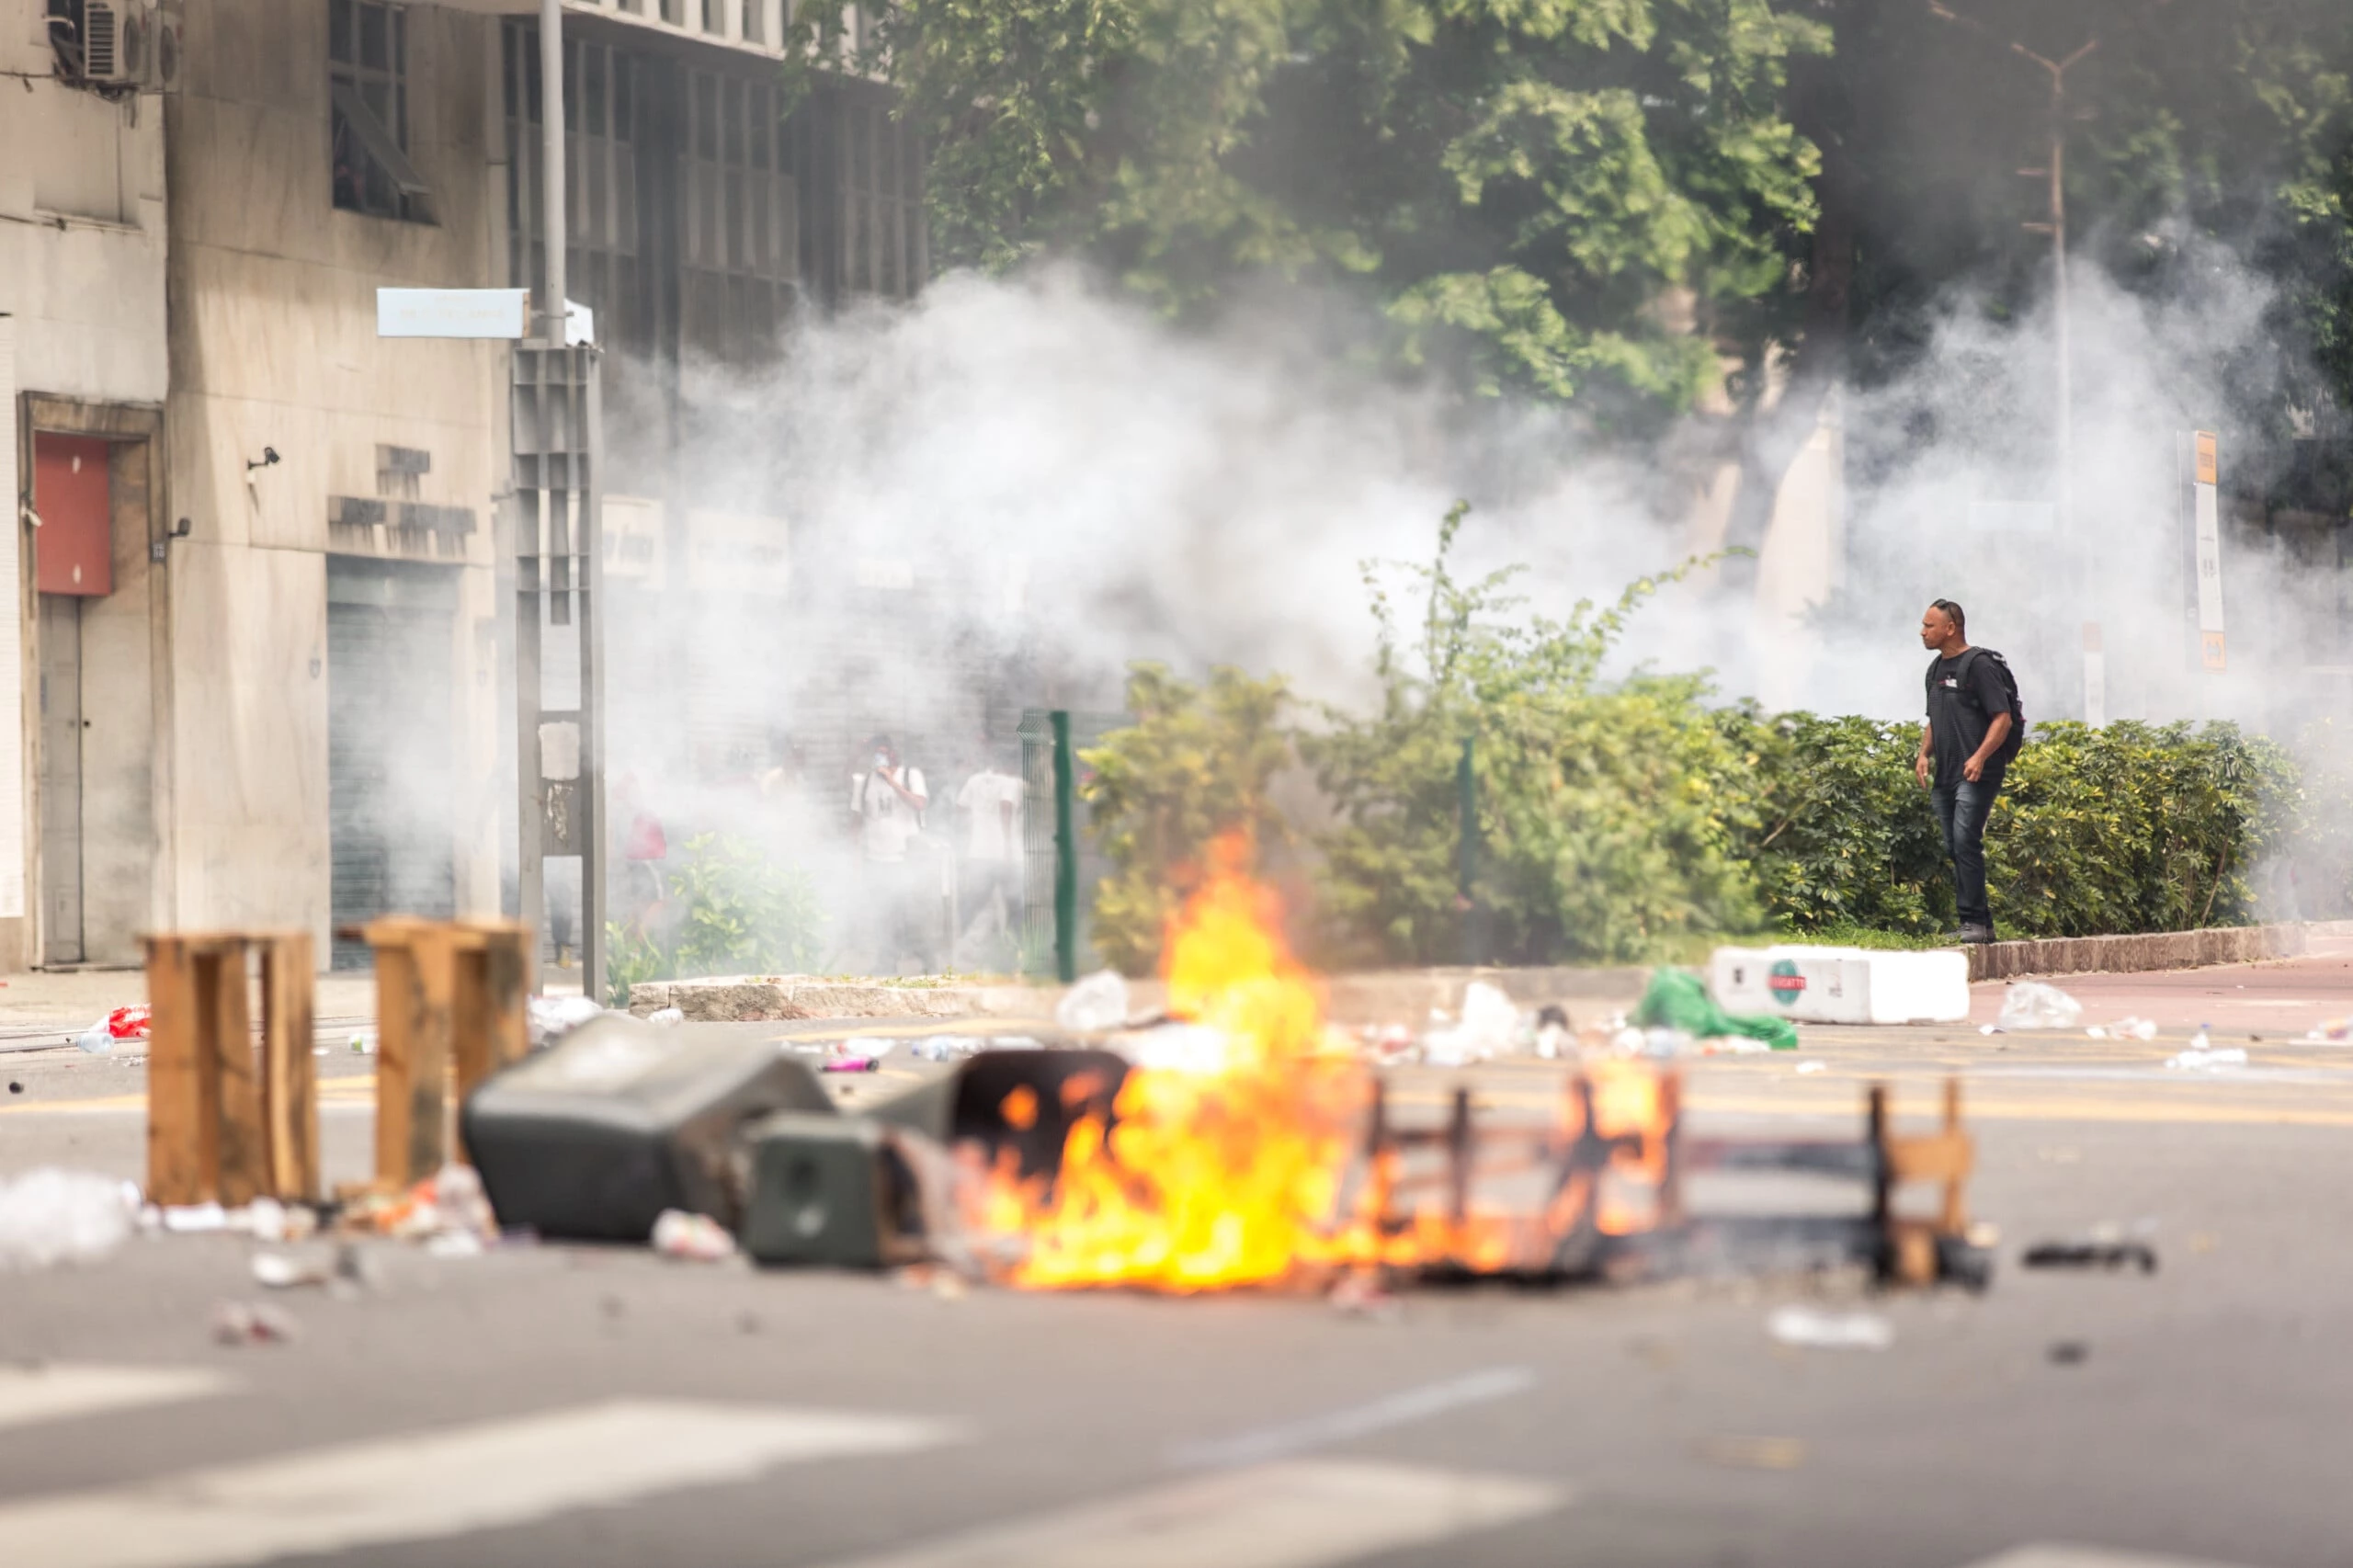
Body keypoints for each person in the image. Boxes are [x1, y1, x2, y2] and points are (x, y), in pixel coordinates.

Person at [1915, 598, 2018, 945]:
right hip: (1946, 771)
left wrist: (1979, 757)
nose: (1923, 631)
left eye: (1930, 626)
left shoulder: (1979, 666)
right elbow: (1934, 717)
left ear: (1950, 628)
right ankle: (1982, 925)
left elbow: (2002, 717)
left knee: (1965, 840)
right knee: (1954, 845)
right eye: (1924, 625)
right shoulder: (1934, 670)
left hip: (1978, 771)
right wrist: (1924, 753)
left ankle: (1972, 921)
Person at [848, 735, 931, 970]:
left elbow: (919, 804)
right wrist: (855, 858)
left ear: (894, 754)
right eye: (875, 754)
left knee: (911, 916)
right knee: (882, 915)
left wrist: (892, 781)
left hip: (905, 859)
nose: (880, 758)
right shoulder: (864, 781)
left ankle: (928, 962)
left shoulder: (910, 776)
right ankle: (885, 966)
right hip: (875, 859)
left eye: (884, 753)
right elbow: (856, 822)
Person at [955, 753, 1026, 955]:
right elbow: (1006, 809)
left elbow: (960, 808)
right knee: (1015, 902)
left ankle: (962, 940)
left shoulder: (975, 780)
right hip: (1004, 854)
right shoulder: (1010, 782)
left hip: (978, 851)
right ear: (1011, 766)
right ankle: (1016, 947)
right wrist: (1007, 845)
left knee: (975, 899)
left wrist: (972, 830)